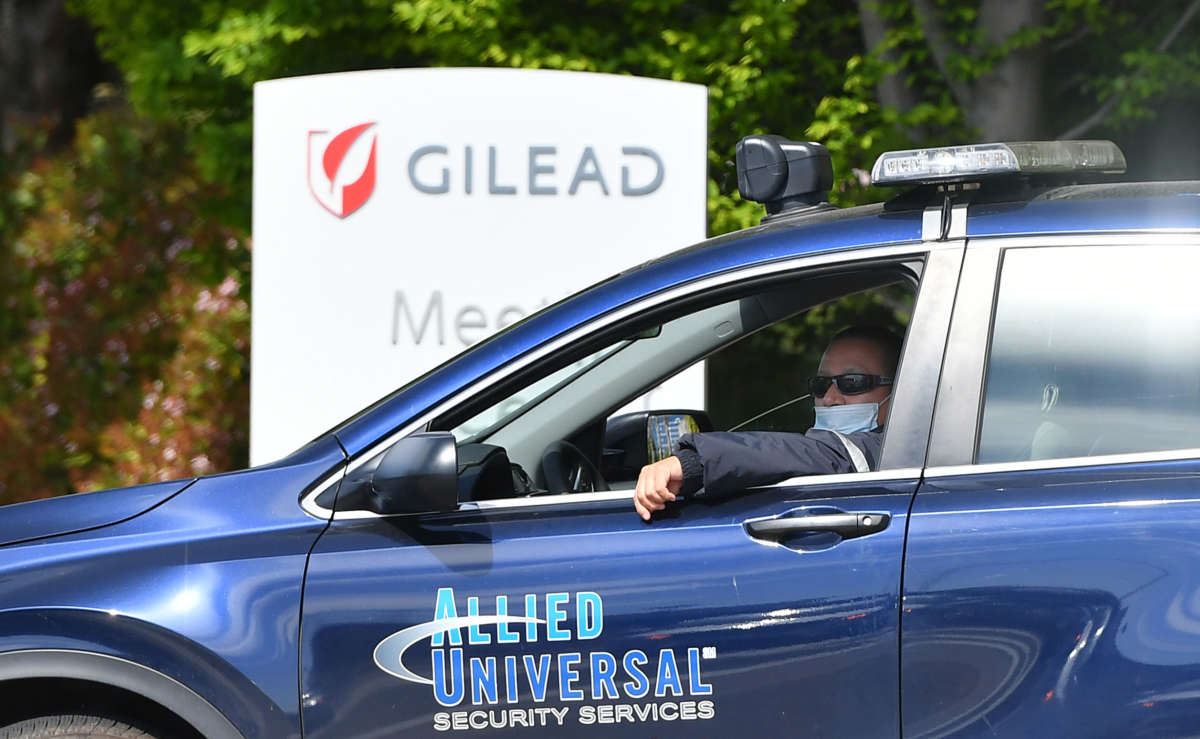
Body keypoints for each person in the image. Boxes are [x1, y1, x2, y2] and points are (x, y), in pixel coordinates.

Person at [633, 325, 900, 520]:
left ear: (900, 389)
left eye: (852, 383)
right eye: (820, 384)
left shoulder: (895, 451)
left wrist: (693, 463)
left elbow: (817, 453)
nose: (829, 398)